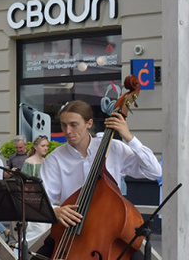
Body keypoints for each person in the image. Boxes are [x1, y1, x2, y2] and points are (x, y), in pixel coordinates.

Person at [40, 101, 161, 251]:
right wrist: (55, 210)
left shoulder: (114, 148)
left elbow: (154, 171)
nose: (68, 131)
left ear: (89, 123)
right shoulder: (55, 159)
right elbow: (43, 201)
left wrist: (129, 138)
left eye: (74, 125)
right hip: (71, 233)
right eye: (64, 125)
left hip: (110, 231)